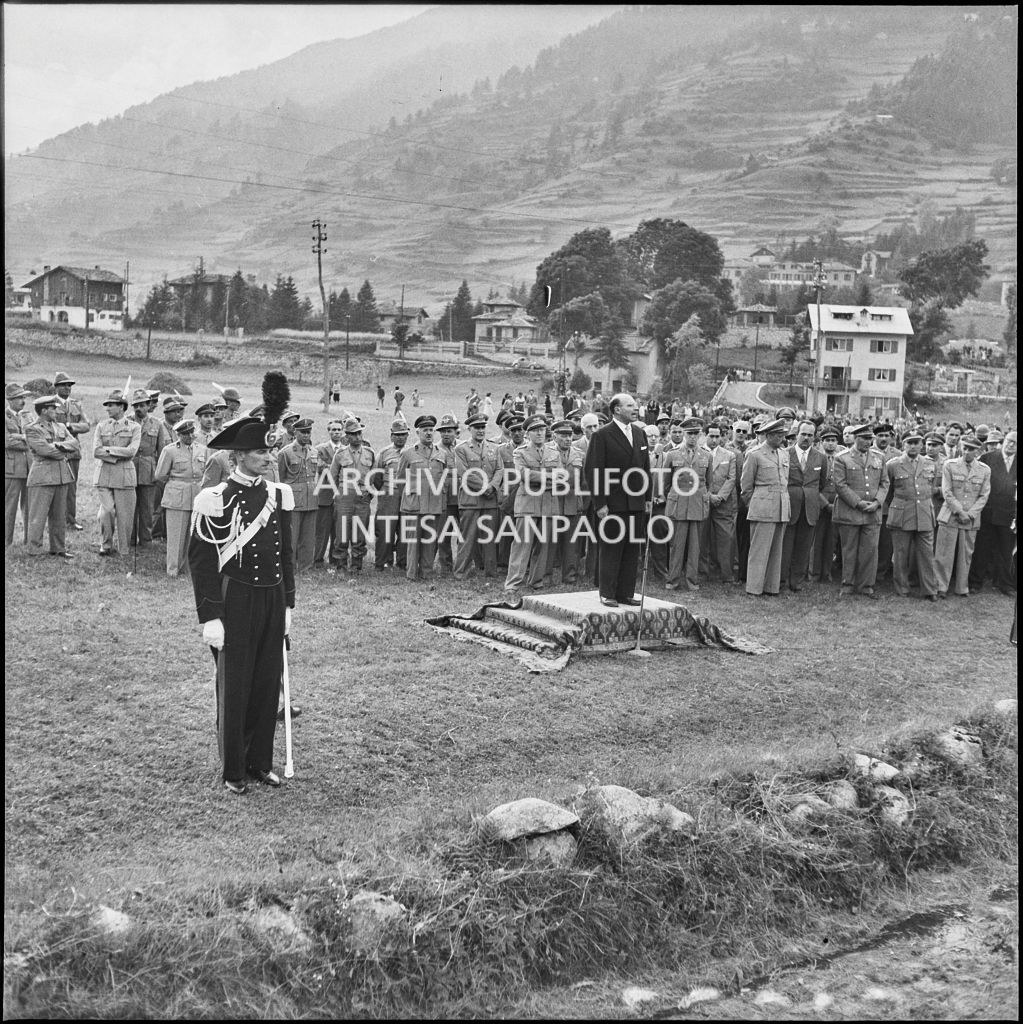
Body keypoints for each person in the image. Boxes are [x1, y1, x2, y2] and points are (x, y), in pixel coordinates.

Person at [188, 396, 296, 796]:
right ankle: (234, 768)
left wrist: (288, 603)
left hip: (270, 597)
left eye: (269, 449)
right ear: (239, 457)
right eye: (260, 452)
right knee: (235, 685)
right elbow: (200, 563)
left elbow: (285, 555)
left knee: (268, 682)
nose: (269, 457)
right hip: (235, 599)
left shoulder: (278, 494)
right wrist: (211, 616)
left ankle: (259, 762)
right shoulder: (213, 498)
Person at [583, 393, 652, 608]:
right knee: (611, 548)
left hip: (636, 503)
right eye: (630, 405)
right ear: (616, 410)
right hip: (612, 503)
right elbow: (593, 471)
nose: (635, 408)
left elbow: (646, 469)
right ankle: (608, 593)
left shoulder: (640, 433)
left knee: (632, 549)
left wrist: (647, 497)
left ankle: (625, 592)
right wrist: (600, 503)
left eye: (635, 405)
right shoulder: (602, 435)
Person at [504, 414, 563, 595]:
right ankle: (513, 583)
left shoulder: (554, 452)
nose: (539, 434)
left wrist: (540, 479)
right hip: (528, 504)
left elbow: (561, 478)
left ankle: (536, 580)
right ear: (527, 433)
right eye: (535, 431)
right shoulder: (520, 452)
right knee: (522, 544)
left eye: (542, 430)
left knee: (543, 544)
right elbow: (524, 475)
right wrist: (548, 477)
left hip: (548, 503)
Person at [832, 423, 888, 599]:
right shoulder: (842, 458)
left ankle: (866, 585)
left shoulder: (879, 457)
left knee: (870, 550)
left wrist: (878, 502)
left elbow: (884, 483)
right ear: (855, 438)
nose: (868, 442)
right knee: (849, 550)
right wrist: (858, 503)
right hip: (850, 511)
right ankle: (848, 584)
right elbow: (840, 485)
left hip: (873, 512)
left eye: (870, 438)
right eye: (864, 438)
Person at [885, 432, 940, 601]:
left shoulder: (930, 464)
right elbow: (888, 491)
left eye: (917, 442)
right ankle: (902, 587)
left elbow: (930, 488)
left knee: (927, 554)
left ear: (922, 444)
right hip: (902, 512)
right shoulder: (893, 465)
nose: (913, 446)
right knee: (901, 554)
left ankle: (929, 589)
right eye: (910, 442)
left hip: (924, 512)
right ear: (903, 444)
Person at [739, 418, 790, 597]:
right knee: (759, 550)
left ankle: (771, 587)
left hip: (781, 506)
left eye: (782, 435)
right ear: (768, 435)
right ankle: (754, 587)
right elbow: (746, 486)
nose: (781, 438)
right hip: (762, 507)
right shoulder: (754, 454)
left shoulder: (784, 454)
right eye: (777, 435)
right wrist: (754, 504)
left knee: (776, 550)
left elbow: (784, 481)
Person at [935, 435, 990, 598]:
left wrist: (970, 514)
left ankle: (961, 587)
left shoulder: (985, 469)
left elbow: (984, 495)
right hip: (950, 515)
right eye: (964, 448)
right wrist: (960, 512)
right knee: (944, 553)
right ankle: (941, 586)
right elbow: (947, 491)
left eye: (971, 449)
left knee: (965, 555)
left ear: (978, 451)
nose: (967, 452)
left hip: (970, 518)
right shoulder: (949, 465)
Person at [25, 394, 79, 559]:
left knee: (59, 515)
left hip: (62, 476)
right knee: (38, 515)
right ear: (43, 410)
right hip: (42, 476)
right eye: (52, 408)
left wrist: (57, 445)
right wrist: (63, 449)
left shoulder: (61, 426)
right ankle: (34, 549)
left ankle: (58, 548)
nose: (56, 410)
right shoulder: (32, 429)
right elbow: (44, 450)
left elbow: (75, 444)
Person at [662, 418, 712, 592]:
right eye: (689, 433)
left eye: (695, 434)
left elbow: (708, 483)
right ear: (683, 434)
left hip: (697, 504)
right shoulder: (673, 454)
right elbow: (665, 483)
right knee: (677, 545)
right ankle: (673, 580)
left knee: (695, 546)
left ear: (700, 435)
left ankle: (692, 580)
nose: (692, 437)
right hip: (679, 505)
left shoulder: (706, 455)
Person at [397, 415, 449, 581]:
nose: (428, 433)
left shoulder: (442, 453)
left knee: (430, 540)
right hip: (414, 504)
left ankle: (426, 573)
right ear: (417, 432)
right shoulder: (408, 453)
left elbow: (444, 477)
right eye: (425, 430)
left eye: (431, 430)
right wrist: (410, 493)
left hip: (434, 503)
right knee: (413, 541)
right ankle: (412, 574)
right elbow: (400, 480)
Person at [154, 418, 207, 577]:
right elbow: (160, 475)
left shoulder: (202, 449)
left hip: (196, 494)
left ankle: (187, 568)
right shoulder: (170, 450)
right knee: (176, 535)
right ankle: (173, 569)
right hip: (176, 495)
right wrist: (177, 483)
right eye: (186, 434)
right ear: (178, 435)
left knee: (193, 535)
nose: (190, 436)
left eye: (192, 432)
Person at [453, 413, 502, 580]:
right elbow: (464, 472)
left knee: (489, 537)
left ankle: (490, 571)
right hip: (471, 500)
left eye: (483, 427)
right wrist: (485, 487)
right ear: (470, 429)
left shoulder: (495, 448)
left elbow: (499, 470)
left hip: (490, 501)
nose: (480, 431)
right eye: (477, 428)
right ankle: (461, 572)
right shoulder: (461, 449)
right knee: (467, 537)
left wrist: (493, 486)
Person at [781, 421, 828, 592]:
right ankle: (782, 580)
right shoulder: (785, 454)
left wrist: (810, 496)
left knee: (803, 546)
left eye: (810, 435)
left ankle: (797, 581)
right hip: (790, 506)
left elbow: (821, 483)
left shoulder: (820, 457)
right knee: (786, 546)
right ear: (796, 434)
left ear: (814, 437)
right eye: (803, 434)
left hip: (809, 507)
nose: (806, 438)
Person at [93, 389, 141, 557]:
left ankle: (124, 549)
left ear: (121, 407)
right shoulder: (101, 426)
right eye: (107, 405)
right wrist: (116, 454)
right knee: (107, 511)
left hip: (124, 475)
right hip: (104, 475)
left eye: (111, 405)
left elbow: (131, 451)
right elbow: (96, 451)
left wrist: (108, 450)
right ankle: (105, 545)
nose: (107, 409)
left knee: (125, 515)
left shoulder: (135, 427)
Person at [971, 430, 1017, 595]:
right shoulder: (987, 458)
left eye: (1015, 443)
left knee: (1006, 550)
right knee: (982, 548)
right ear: (1003, 441)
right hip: (987, 511)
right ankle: (976, 581)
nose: (1011, 445)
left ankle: (1004, 583)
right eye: (1009, 441)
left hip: (1009, 514)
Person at [330, 416, 376, 573]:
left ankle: (357, 565)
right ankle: (340, 565)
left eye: (359, 433)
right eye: (353, 434)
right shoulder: (340, 454)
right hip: (345, 496)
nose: (357, 437)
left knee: (360, 532)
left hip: (363, 496)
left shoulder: (370, 453)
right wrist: (339, 496)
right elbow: (332, 477)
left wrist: (369, 494)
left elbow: (375, 476)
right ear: (347, 436)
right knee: (342, 531)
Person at [277, 418, 320, 572]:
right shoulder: (285, 452)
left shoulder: (314, 451)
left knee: (308, 536)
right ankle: (289, 566)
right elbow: (280, 479)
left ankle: (306, 566)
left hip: (311, 498)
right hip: (293, 499)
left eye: (308, 432)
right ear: (295, 432)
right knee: (291, 536)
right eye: (302, 432)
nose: (306, 435)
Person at [52, 372, 91, 531]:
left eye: (70, 385)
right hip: (56, 451)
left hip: (73, 452)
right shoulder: (50, 404)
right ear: (56, 387)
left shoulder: (76, 405)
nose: (67, 388)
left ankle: (70, 520)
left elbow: (86, 425)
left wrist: (68, 426)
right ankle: (55, 519)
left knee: (71, 488)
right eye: (64, 385)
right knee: (56, 487)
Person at [371, 418, 410, 572]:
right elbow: (377, 476)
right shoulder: (384, 453)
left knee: (405, 529)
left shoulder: (412, 451)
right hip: (389, 494)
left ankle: (403, 561)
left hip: (407, 494)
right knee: (385, 529)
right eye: (397, 434)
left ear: (408, 435)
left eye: (403, 434)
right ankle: (383, 562)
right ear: (391, 436)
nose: (400, 437)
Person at [701, 421, 737, 584]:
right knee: (702, 538)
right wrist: (709, 496)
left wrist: (720, 496)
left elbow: (731, 478)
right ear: (705, 435)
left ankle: (726, 574)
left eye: (717, 436)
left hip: (723, 502)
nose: (715, 440)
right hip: (703, 500)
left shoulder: (729, 455)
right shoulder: (698, 452)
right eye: (711, 436)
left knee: (726, 538)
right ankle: (702, 572)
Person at [129, 388, 163, 547]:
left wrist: (160, 472)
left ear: (148, 405)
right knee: (129, 506)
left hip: (149, 470)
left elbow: (161, 450)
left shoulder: (157, 424)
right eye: (136, 405)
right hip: (130, 468)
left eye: (142, 405)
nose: (139, 409)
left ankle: (146, 539)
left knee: (147, 508)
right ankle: (130, 538)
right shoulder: (127, 422)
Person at [5, 383, 31, 547]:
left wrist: (19, 437)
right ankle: (7, 541)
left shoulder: (28, 416)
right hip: (11, 469)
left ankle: (30, 540)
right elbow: (7, 441)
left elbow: (37, 436)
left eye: (24, 397)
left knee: (29, 506)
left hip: (30, 467)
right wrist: (25, 439)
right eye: (20, 397)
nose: (23, 400)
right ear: (10, 399)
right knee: (9, 507)